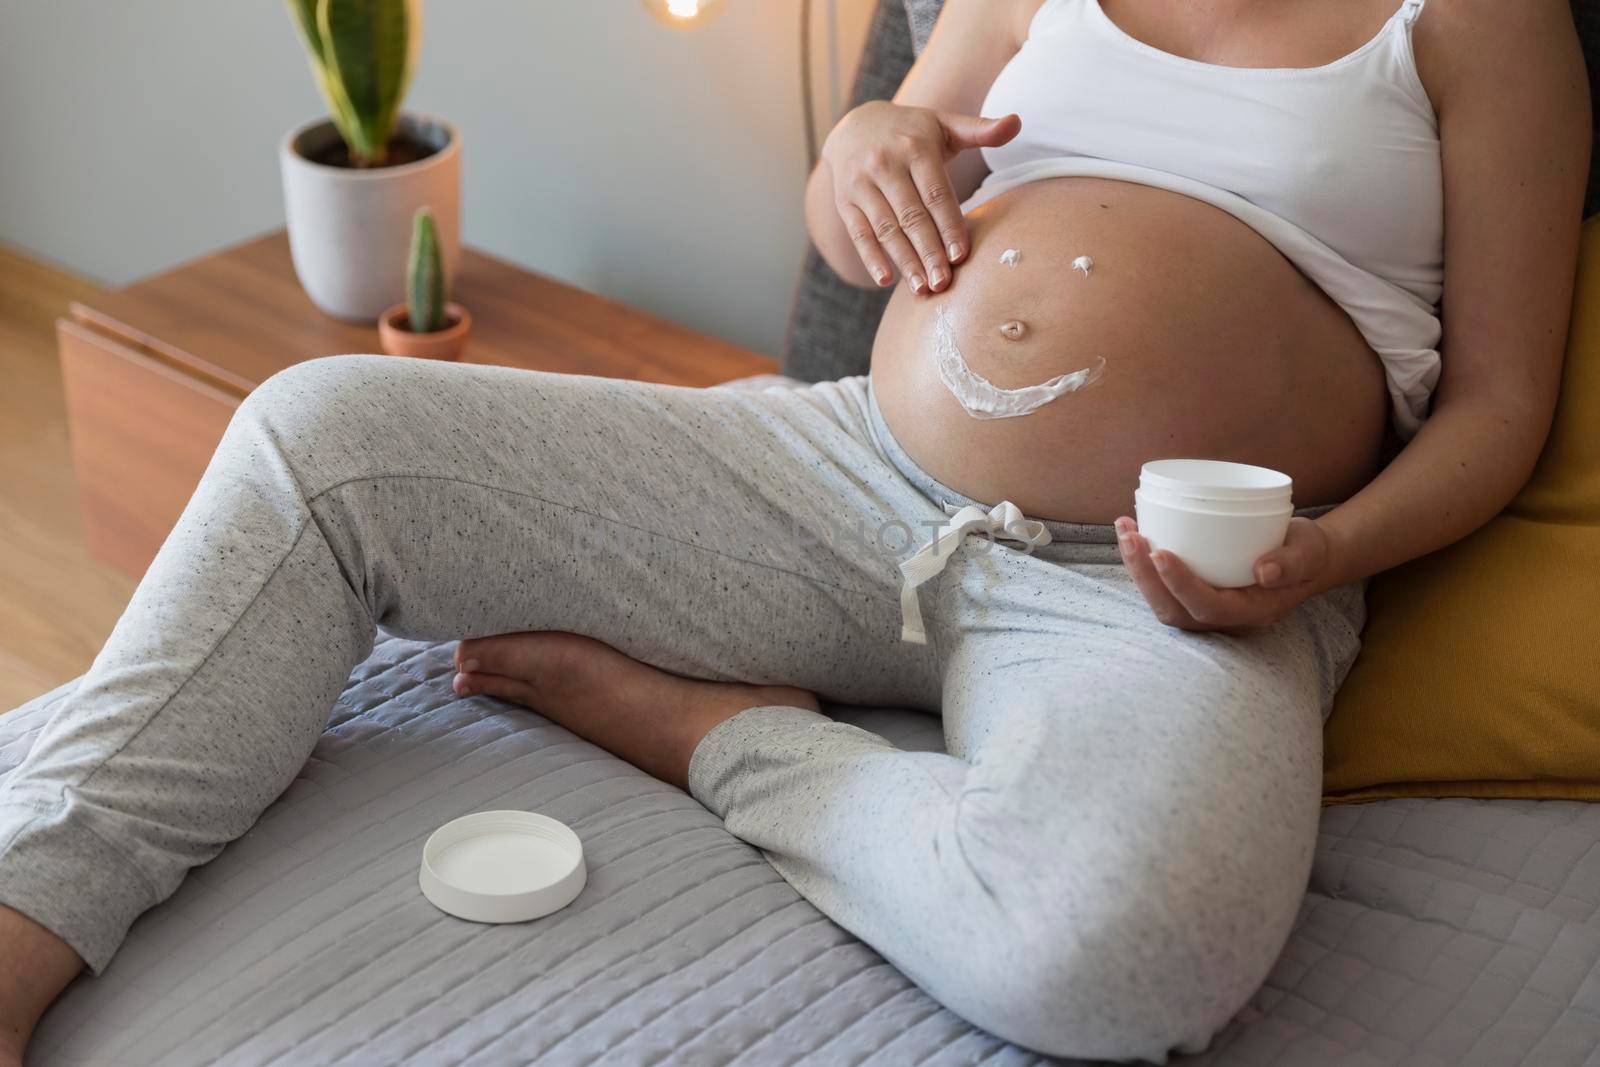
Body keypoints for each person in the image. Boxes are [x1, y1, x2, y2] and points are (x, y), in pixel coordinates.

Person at [0, 0, 1588, 1061]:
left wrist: (1328, 558)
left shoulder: (1479, 24)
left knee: (1122, 954)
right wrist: (865, 148)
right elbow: (870, 186)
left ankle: (730, 741)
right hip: (843, 471)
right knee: (324, 435)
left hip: (1158, 593)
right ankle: (22, 925)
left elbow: (1501, 410)